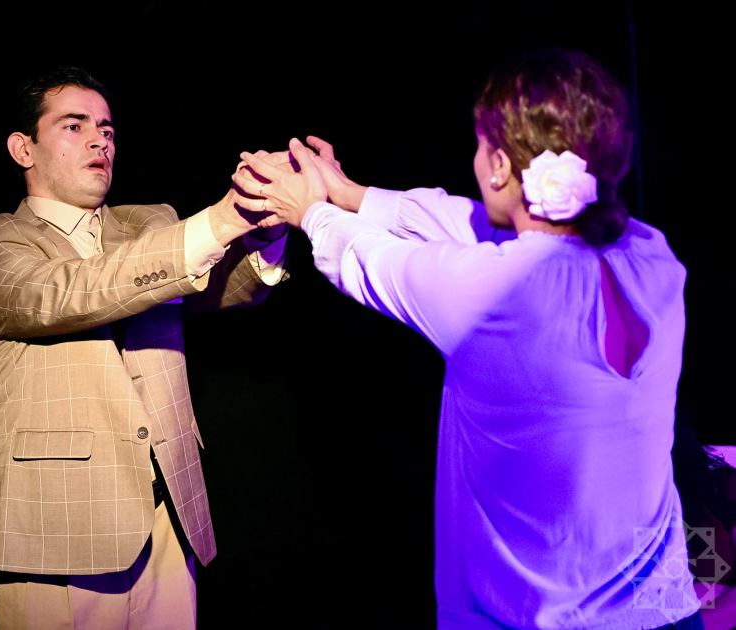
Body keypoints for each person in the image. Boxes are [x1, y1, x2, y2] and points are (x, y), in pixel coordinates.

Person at [234, 49, 703, 629]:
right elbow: (465, 221)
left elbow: (368, 258)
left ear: (501, 166)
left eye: (482, 146)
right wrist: (347, 190)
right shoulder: (652, 255)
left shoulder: (495, 292)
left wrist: (309, 210)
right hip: (664, 613)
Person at [0, 66, 287, 629]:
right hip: (59, 529)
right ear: (23, 149)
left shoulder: (150, 225)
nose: (99, 140)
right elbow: (69, 291)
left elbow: (230, 286)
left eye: (106, 129)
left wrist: (263, 226)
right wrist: (220, 219)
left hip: (167, 522)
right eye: (74, 125)